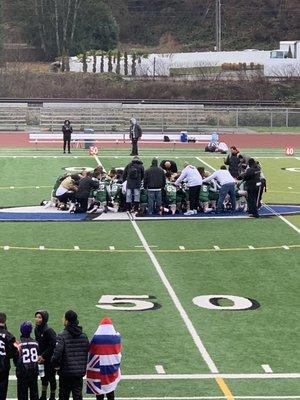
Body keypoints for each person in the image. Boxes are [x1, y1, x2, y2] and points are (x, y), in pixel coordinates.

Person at [51, 310, 89, 400]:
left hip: (65, 373)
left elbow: (56, 355)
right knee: (78, 396)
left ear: (67, 321)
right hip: (78, 374)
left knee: (64, 396)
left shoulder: (62, 336)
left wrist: (55, 365)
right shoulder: (83, 336)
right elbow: (86, 351)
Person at [86, 318, 122, 400]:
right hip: (111, 369)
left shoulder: (96, 338)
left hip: (99, 370)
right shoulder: (117, 337)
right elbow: (118, 351)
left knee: (99, 393)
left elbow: (91, 351)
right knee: (110, 391)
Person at [34, 310, 57, 400]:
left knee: (51, 378)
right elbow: (38, 344)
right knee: (43, 377)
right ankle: (43, 396)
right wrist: (39, 356)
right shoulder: (36, 329)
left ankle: (52, 397)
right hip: (41, 359)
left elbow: (53, 346)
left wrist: (43, 356)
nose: (37, 319)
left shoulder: (49, 331)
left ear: (44, 319)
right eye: (36, 317)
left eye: (40, 317)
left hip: (50, 359)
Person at [15, 321, 39, 400]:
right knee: (34, 393)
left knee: (22, 394)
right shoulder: (35, 343)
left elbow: (16, 360)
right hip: (33, 371)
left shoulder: (19, 345)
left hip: (23, 372)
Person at [0, 312, 18, 400]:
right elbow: (14, 353)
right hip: (4, 367)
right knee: (2, 392)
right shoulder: (9, 336)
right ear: (5, 321)